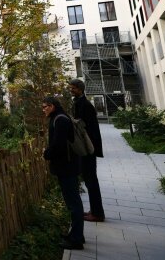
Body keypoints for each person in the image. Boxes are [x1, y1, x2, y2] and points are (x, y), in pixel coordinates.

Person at [42, 96, 85, 250]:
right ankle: (76, 234)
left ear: (52, 106)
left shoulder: (60, 120)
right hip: (67, 166)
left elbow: (58, 145)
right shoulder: (60, 117)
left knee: (73, 203)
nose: (43, 109)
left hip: (67, 167)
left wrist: (46, 153)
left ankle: (76, 240)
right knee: (72, 201)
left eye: (45, 106)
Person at [69, 78, 105, 222]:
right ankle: (95, 210)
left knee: (91, 180)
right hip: (87, 147)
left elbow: (87, 128)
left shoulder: (85, 105)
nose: (71, 90)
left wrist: (90, 148)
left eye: (73, 88)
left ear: (80, 89)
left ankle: (97, 213)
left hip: (88, 148)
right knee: (89, 179)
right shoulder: (80, 103)